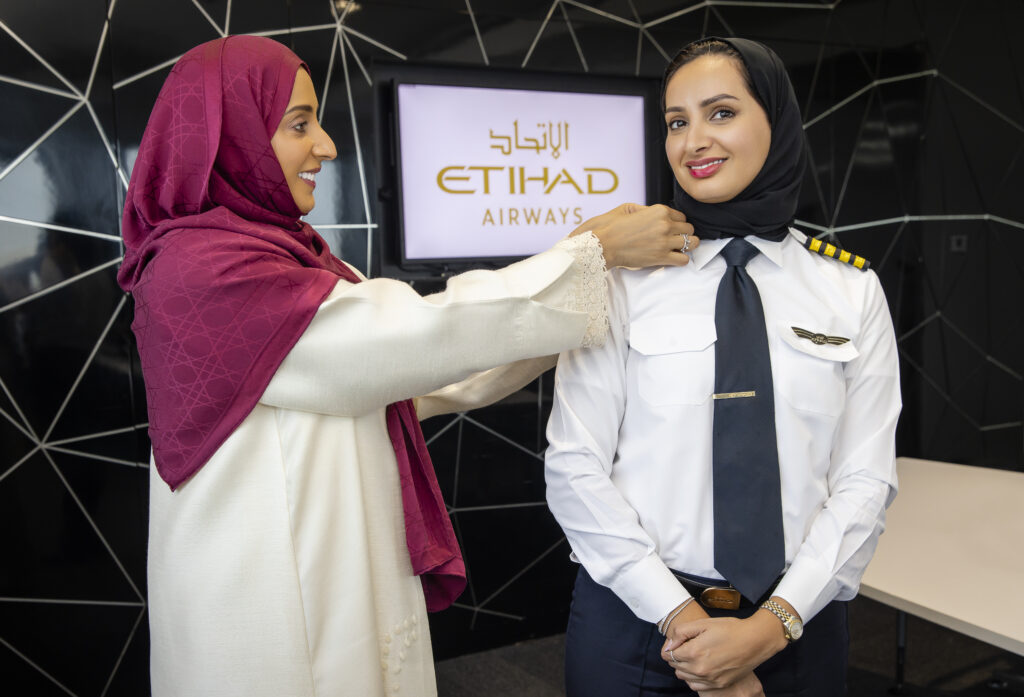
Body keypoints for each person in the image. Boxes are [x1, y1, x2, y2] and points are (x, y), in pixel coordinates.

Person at [116, 35, 698, 697]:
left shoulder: (288, 260)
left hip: (327, 581)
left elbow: (426, 371)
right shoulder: (204, 271)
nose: (327, 145)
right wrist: (586, 255)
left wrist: (587, 281)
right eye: (299, 123)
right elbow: (409, 340)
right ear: (232, 135)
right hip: (272, 611)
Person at [544, 37, 901, 696]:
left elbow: (865, 479)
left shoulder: (850, 289)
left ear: (777, 121)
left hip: (798, 627)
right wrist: (683, 621)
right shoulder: (625, 282)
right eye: (677, 122)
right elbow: (574, 466)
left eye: (721, 113)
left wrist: (769, 629)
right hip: (636, 628)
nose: (693, 141)